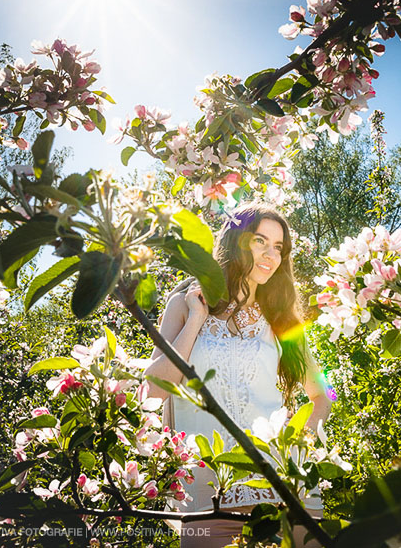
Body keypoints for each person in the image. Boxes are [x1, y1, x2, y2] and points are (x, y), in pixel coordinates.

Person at [144, 202, 332, 548]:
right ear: (236, 241)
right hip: (207, 489)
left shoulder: (283, 319)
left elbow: (322, 396)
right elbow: (153, 393)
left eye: (278, 248)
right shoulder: (185, 303)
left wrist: (299, 449)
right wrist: (197, 319)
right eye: (260, 241)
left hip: (283, 487)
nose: (270, 255)